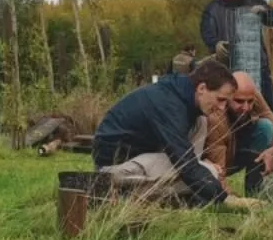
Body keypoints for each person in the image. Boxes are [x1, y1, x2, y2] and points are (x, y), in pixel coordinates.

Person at [91, 57, 257, 209]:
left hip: (141, 157)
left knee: (201, 122)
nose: (222, 108)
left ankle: (184, 195)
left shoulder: (182, 96)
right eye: (220, 99)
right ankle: (126, 195)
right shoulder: (169, 105)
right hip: (114, 169)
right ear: (202, 88)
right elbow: (184, 162)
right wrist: (224, 198)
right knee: (207, 172)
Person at [200, 0, 273, 116]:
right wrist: (216, 45)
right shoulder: (213, 9)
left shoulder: (254, 2)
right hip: (225, 72)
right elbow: (206, 33)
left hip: (257, 69)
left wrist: (266, 13)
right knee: (226, 115)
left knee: (268, 111)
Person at [202, 70, 273, 197]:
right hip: (213, 162)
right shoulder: (216, 117)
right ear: (227, 96)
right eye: (239, 101)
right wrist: (233, 199)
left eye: (250, 101)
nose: (246, 107)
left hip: (236, 150)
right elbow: (218, 171)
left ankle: (254, 191)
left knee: (266, 127)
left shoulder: (251, 95)